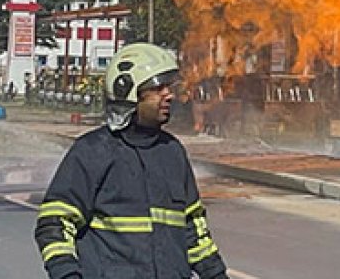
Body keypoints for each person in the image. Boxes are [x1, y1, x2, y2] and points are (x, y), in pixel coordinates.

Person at [35, 43, 228, 279]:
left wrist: (216, 275)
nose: (169, 94)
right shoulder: (93, 151)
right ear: (127, 91)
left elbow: (194, 229)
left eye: (169, 87)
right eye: (158, 88)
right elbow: (54, 223)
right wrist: (67, 274)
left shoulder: (172, 152)